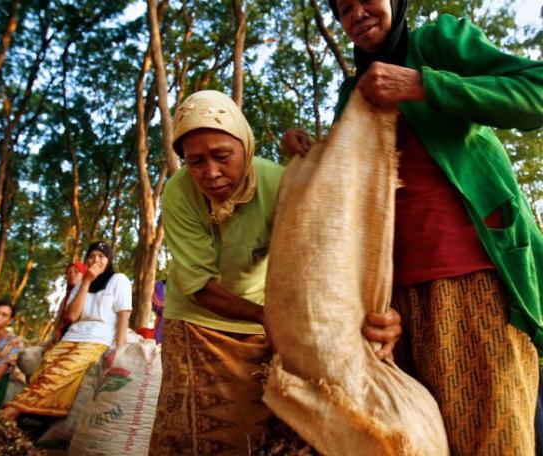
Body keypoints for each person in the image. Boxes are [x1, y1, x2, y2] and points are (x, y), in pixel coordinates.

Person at [282, 1, 543, 453]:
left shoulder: (439, 43)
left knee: (494, 442)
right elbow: (356, 193)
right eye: (344, 9)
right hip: (392, 310)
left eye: (367, 0)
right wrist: (313, 151)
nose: (357, 14)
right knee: (415, 441)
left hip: (477, 281)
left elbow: (536, 95)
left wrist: (425, 84)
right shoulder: (352, 93)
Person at [149, 90, 401, 455]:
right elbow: (197, 285)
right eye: (196, 162)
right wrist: (265, 316)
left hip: (260, 324)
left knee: (250, 434)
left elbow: (312, 257)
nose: (211, 173)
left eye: (222, 156)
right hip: (196, 324)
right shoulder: (179, 193)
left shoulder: (276, 182)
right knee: (191, 435)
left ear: (246, 147)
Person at [2, 241, 132, 423]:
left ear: (109, 260)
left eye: (101, 256)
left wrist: (120, 350)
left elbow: (123, 316)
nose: (96, 260)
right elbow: (71, 316)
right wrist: (86, 281)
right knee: (43, 371)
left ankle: (11, 411)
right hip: (71, 338)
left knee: (60, 372)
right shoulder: (81, 284)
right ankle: (37, 416)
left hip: (96, 341)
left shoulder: (119, 280)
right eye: (91, 256)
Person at [49, 261, 87, 345]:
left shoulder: (89, 295)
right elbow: (58, 323)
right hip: (61, 339)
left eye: (76, 271)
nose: (72, 274)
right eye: (69, 272)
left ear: (84, 274)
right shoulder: (64, 301)